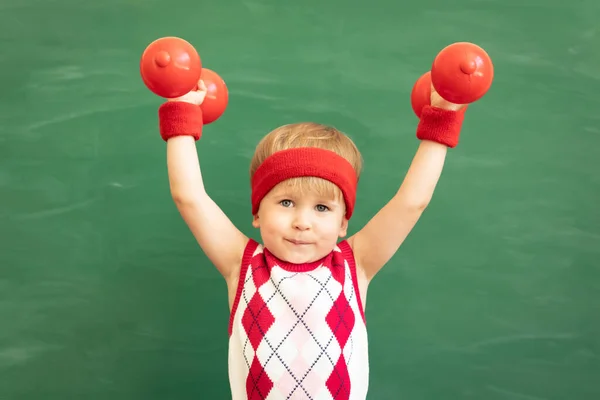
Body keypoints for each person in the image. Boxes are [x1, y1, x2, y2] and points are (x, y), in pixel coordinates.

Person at [156, 80, 466, 399]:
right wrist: (181, 112)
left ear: (343, 222)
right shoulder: (242, 265)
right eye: (286, 203)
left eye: (321, 207)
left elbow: (411, 202)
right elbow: (189, 197)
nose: (302, 222)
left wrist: (441, 119)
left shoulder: (354, 265)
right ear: (257, 212)